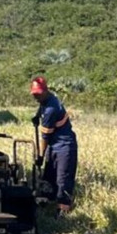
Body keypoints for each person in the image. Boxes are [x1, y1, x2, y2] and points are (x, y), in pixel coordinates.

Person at [30, 77, 78, 216]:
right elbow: (42, 107)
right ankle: (46, 205)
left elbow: (45, 137)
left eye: (38, 94)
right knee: (49, 175)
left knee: (63, 179)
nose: (36, 96)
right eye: (34, 94)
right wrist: (37, 115)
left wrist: (40, 155)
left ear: (46, 91)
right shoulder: (47, 100)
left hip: (64, 145)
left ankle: (63, 210)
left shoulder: (51, 109)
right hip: (54, 144)